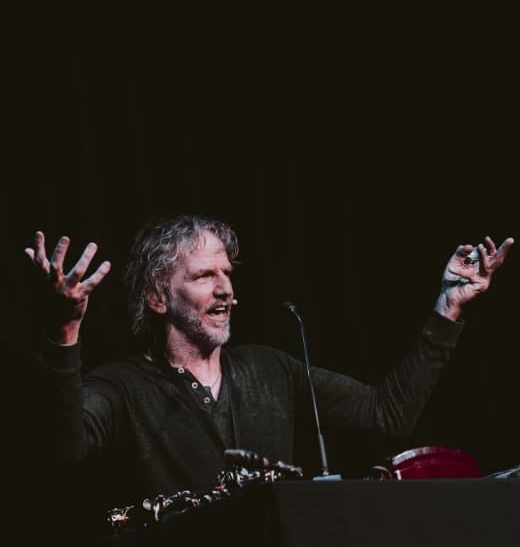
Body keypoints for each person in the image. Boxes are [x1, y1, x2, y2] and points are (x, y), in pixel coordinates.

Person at [24, 215, 514, 512]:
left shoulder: (268, 369)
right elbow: (63, 451)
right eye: (204, 276)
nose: (226, 290)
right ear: (157, 297)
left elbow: (388, 414)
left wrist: (448, 306)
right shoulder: (123, 386)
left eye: (227, 274)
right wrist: (65, 332)